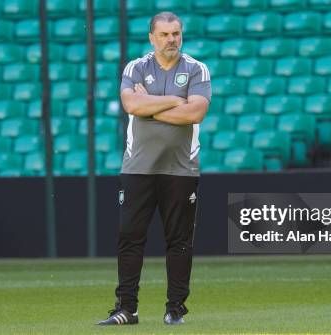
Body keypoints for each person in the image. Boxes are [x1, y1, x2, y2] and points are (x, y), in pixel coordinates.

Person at [96, 11, 211, 326]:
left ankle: (175, 309)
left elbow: (196, 112)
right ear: (152, 37)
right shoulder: (135, 67)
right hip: (138, 168)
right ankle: (126, 309)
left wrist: (155, 106)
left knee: (179, 241)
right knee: (130, 237)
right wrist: (177, 101)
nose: (171, 39)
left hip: (181, 169)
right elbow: (132, 106)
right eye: (165, 34)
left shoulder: (197, 69)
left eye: (176, 33)